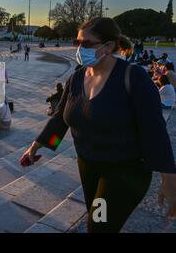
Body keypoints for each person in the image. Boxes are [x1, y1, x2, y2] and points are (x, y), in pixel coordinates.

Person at [20, 17, 176, 233]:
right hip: (89, 168)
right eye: (77, 43)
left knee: (98, 228)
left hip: (124, 172)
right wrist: (38, 145)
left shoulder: (134, 77)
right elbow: (61, 121)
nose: (79, 48)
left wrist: (168, 178)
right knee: (99, 221)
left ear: (108, 46)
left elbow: (155, 130)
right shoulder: (75, 78)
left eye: (86, 43)